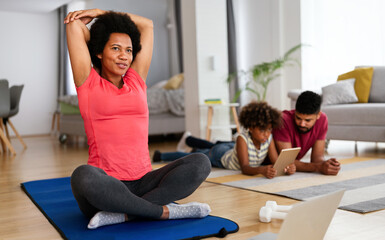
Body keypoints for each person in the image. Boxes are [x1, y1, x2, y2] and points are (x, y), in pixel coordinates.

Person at [64, 9, 211, 229]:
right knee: (82, 176)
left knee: (201, 162)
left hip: (144, 182)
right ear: (99, 52)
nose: (124, 55)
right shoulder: (88, 81)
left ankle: (125, 213)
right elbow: (74, 26)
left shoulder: (136, 79)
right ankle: (165, 212)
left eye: (128, 50)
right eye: (115, 48)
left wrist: (102, 12)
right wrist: (101, 25)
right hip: (107, 184)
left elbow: (147, 26)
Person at [154, 101, 294, 179]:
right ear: (251, 127)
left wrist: (287, 167)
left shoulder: (268, 138)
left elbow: (276, 161)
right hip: (220, 156)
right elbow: (245, 168)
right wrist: (262, 170)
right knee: (193, 157)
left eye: (269, 129)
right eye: (262, 130)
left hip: (229, 149)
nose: (267, 134)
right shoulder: (242, 139)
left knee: (211, 146)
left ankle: (191, 141)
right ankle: (161, 155)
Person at [272, 91, 341, 175]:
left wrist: (327, 164)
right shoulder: (283, 120)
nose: (302, 124)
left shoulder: (322, 120)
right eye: (298, 118)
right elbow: (286, 161)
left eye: (307, 120)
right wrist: (319, 167)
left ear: (318, 115)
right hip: (261, 164)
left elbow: (317, 159)